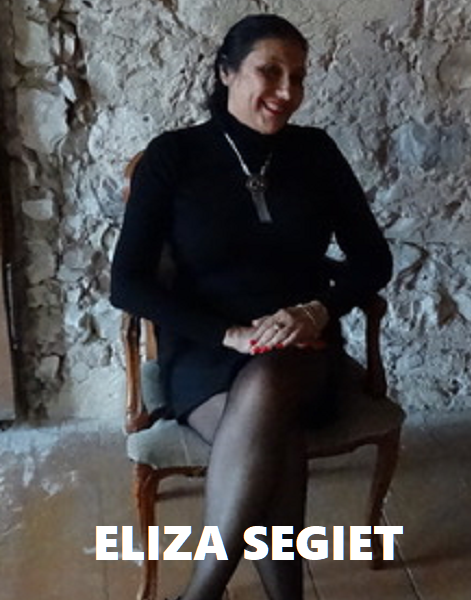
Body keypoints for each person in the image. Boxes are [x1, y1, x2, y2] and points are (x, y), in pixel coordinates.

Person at [111, 13, 392, 600]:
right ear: (226, 72)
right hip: (207, 351)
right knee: (273, 437)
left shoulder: (316, 153)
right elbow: (128, 285)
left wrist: (318, 310)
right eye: (270, 71)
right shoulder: (174, 156)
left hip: (302, 348)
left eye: (298, 76)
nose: (287, 91)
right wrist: (231, 334)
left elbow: (373, 260)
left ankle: (200, 594)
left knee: (270, 385)